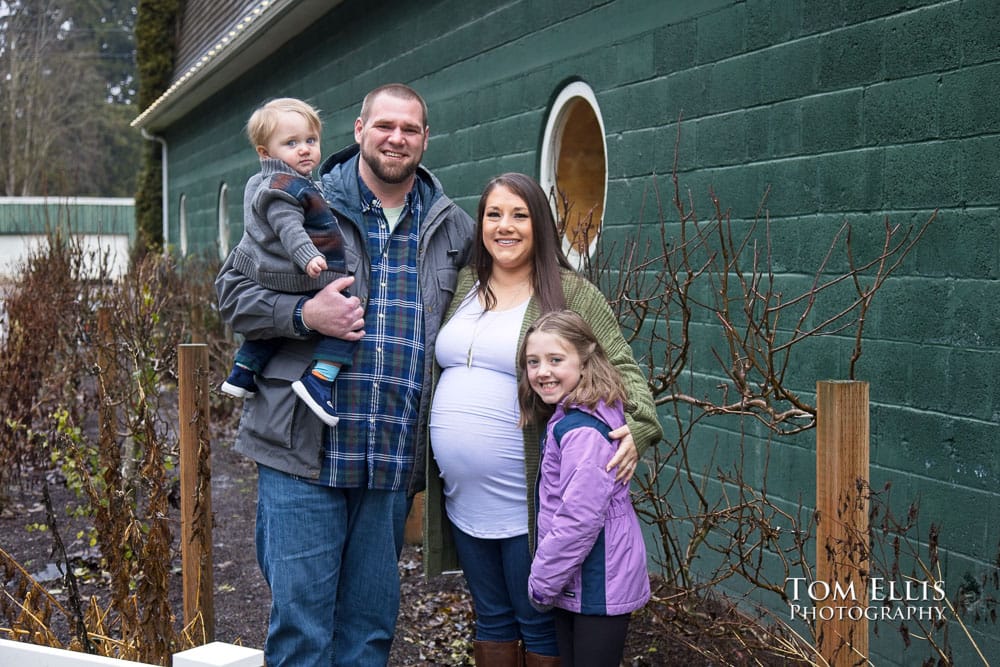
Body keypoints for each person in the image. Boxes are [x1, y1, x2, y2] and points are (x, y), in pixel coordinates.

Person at [215, 83, 475, 667]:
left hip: (389, 460)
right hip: (303, 451)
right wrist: (304, 315)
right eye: (384, 125)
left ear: (425, 139)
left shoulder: (452, 227)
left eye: (409, 128)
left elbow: (516, 295)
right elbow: (231, 295)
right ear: (359, 131)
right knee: (302, 635)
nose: (396, 138)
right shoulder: (301, 199)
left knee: (368, 634)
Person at [424, 173, 662, 666]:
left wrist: (637, 429)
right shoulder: (465, 284)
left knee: (537, 617)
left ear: (540, 224)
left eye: (519, 215)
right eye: (493, 214)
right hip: (465, 498)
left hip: (527, 497)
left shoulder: (570, 291)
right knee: (490, 618)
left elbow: (624, 370)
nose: (504, 226)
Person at [519, 310, 651, 667]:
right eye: (533, 362)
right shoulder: (572, 416)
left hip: (598, 582)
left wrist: (542, 582)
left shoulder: (582, 431)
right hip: (578, 580)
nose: (542, 371)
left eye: (555, 360)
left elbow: (579, 518)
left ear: (585, 359)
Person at [219, 97, 353, 427]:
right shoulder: (285, 187)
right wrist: (310, 258)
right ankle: (320, 379)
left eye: (311, 140)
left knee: (273, 330)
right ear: (265, 153)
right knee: (346, 316)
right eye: (291, 143)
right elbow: (288, 227)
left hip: (275, 274)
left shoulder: (270, 182)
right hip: (296, 271)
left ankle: (243, 371)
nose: (304, 149)